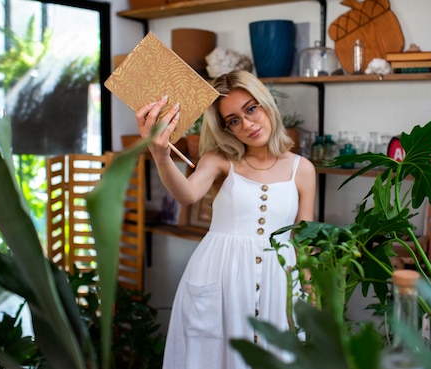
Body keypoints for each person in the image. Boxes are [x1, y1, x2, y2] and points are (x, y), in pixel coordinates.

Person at [135, 70, 316, 369]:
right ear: (226, 128)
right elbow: (188, 194)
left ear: (265, 103)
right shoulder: (219, 160)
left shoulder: (303, 169)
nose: (247, 124)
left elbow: (304, 241)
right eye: (233, 120)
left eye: (251, 109)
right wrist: (161, 154)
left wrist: (310, 300)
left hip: (279, 284)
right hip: (220, 279)